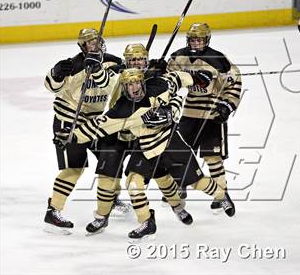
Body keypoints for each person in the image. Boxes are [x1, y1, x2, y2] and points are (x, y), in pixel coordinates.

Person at [54, 49, 235, 241]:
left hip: (171, 144)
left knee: (193, 182)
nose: (133, 87)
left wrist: (196, 79)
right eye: (129, 83)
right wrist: (72, 136)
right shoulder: (122, 105)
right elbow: (98, 126)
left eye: (136, 81)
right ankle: (136, 220)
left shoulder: (159, 82)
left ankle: (217, 195)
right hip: (143, 146)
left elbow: (177, 81)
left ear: (143, 78)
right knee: (126, 181)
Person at [43, 28, 123, 234]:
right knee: (74, 168)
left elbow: (107, 85)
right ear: (82, 47)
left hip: (95, 122)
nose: (93, 46)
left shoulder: (113, 61)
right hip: (68, 120)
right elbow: (53, 88)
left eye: (95, 41)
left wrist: (95, 69)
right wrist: (56, 74)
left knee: (111, 157)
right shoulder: (73, 64)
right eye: (88, 44)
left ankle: (112, 198)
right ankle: (53, 212)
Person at [165, 23, 242, 214]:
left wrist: (227, 105)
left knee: (213, 157)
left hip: (211, 114)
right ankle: (180, 184)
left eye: (200, 40)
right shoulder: (178, 57)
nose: (196, 43)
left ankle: (221, 193)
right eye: (193, 39)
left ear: (207, 40)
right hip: (188, 113)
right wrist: (158, 69)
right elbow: (167, 81)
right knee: (180, 153)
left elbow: (235, 83)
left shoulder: (218, 59)